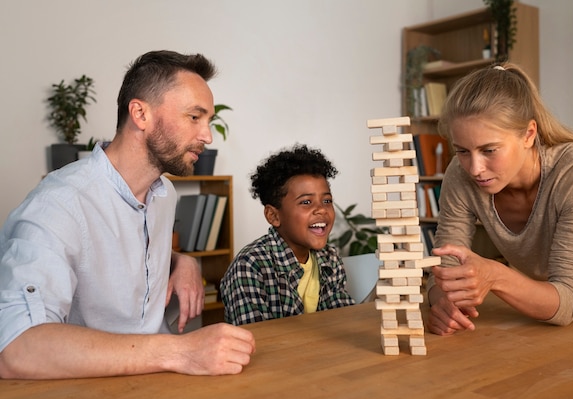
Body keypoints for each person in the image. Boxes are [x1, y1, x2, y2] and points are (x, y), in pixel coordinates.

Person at [0, 50, 255, 379]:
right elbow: (16, 349)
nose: (207, 136)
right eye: (195, 117)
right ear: (140, 113)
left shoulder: (164, 195)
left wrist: (181, 261)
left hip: (156, 383)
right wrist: (182, 351)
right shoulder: (57, 204)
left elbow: (119, 245)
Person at [426, 63, 573, 336]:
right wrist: (441, 303)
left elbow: (566, 301)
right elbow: (443, 269)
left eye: (489, 150)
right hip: (553, 296)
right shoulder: (459, 174)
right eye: (462, 150)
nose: (474, 168)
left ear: (529, 135)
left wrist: (495, 275)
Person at [221, 144, 355, 325]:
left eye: (327, 200)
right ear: (274, 216)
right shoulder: (250, 266)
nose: (321, 210)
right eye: (306, 202)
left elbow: (342, 321)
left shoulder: (330, 259)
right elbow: (256, 339)